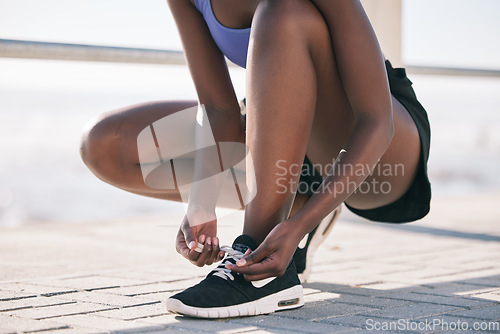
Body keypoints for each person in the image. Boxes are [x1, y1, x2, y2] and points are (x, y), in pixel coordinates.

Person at [80, 0, 431, 318]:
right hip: (281, 142)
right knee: (107, 143)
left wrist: (301, 225)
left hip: (375, 142)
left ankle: (260, 261)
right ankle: (289, 202)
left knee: (284, 10)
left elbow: (377, 122)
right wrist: (202, 203)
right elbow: (218, 110)